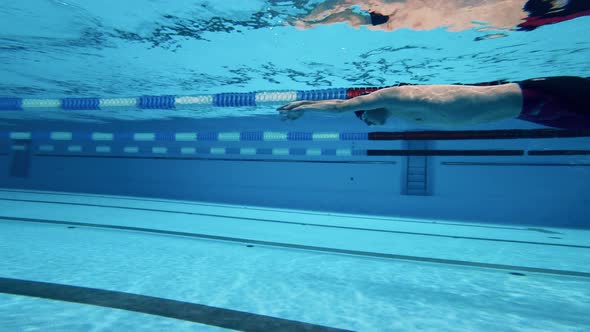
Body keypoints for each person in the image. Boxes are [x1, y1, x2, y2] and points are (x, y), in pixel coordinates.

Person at [277, 76, 590, 130]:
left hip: (533, 97)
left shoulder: (395, 95)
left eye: (365, 117)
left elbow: (341, 106)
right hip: (528, 113)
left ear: (367, 106)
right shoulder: (404, 113)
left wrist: (303, 105)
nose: (370, 123)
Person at [294, 0, 590, 33]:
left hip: (416, 12)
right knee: (353, 17)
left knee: (352, 13)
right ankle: (307, 21)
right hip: (417, 15)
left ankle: (306, 20)